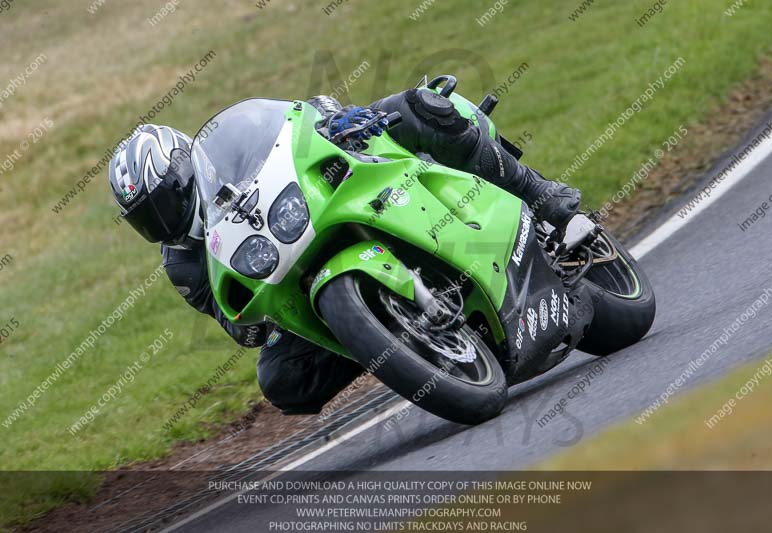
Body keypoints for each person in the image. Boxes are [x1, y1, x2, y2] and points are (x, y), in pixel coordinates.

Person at [108, 86, 581, 415]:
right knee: (280, 381)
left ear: (183, 174)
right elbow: (237, 324)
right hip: (293, 280)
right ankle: (388, 335)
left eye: (161, 204)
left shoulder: (231, 141)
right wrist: (258, 325)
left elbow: (298, 118)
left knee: (424, 107)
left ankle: (540, 194)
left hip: (322, 198)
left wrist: (334, 117)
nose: (161, 223)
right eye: (145, 220)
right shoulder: (183, 265)